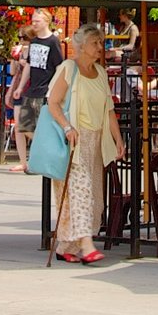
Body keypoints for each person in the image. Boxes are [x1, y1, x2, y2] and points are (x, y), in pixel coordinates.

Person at [45, 24, 123, 265]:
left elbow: (108, 110)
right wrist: (68, 127)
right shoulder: (68, 68)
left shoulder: (100, 73)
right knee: (81, 193)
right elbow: (53, 103)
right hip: (74, 141)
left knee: (95, 199)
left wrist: (118, 139)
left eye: (101, 43)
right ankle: (87, 246)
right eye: (95, 43)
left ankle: (66, 246)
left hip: (95, 142)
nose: (100, 47)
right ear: (81, 45)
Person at [8, 11, 66, 174]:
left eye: (37, 21)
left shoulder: (53, 42)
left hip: (45, 90)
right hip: (32, 89)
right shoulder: (33, 42)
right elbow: (29, 66)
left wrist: (55, 89)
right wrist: (20, 88)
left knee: (42, 126)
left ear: (46, 21)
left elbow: (59, 67)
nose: (34, 24)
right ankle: (47, 148)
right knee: (24, 126)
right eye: (33, 21)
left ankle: (39, 161)